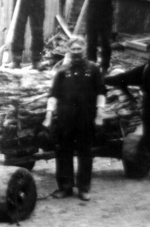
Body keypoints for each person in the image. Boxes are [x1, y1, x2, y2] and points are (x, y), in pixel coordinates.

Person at [105, 40, 150, 183]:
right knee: (148, 140)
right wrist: (102, 80)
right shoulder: (143, 70)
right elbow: (123, 78)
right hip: (149, 107)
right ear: (147, 53)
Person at [42, 36, 105, 201]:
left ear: (84, 49)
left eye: (79, 49)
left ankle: (84, 188)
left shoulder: (93, 69)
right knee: (63, 152)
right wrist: (49, 116)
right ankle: (65, 187)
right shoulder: (62, 71)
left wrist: (99, 114)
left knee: (85, 152)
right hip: (65, 118)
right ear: (69, 50)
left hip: (86, 117)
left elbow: (101, 93)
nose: (76, 52)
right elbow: (53, 95)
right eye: (73, 49)